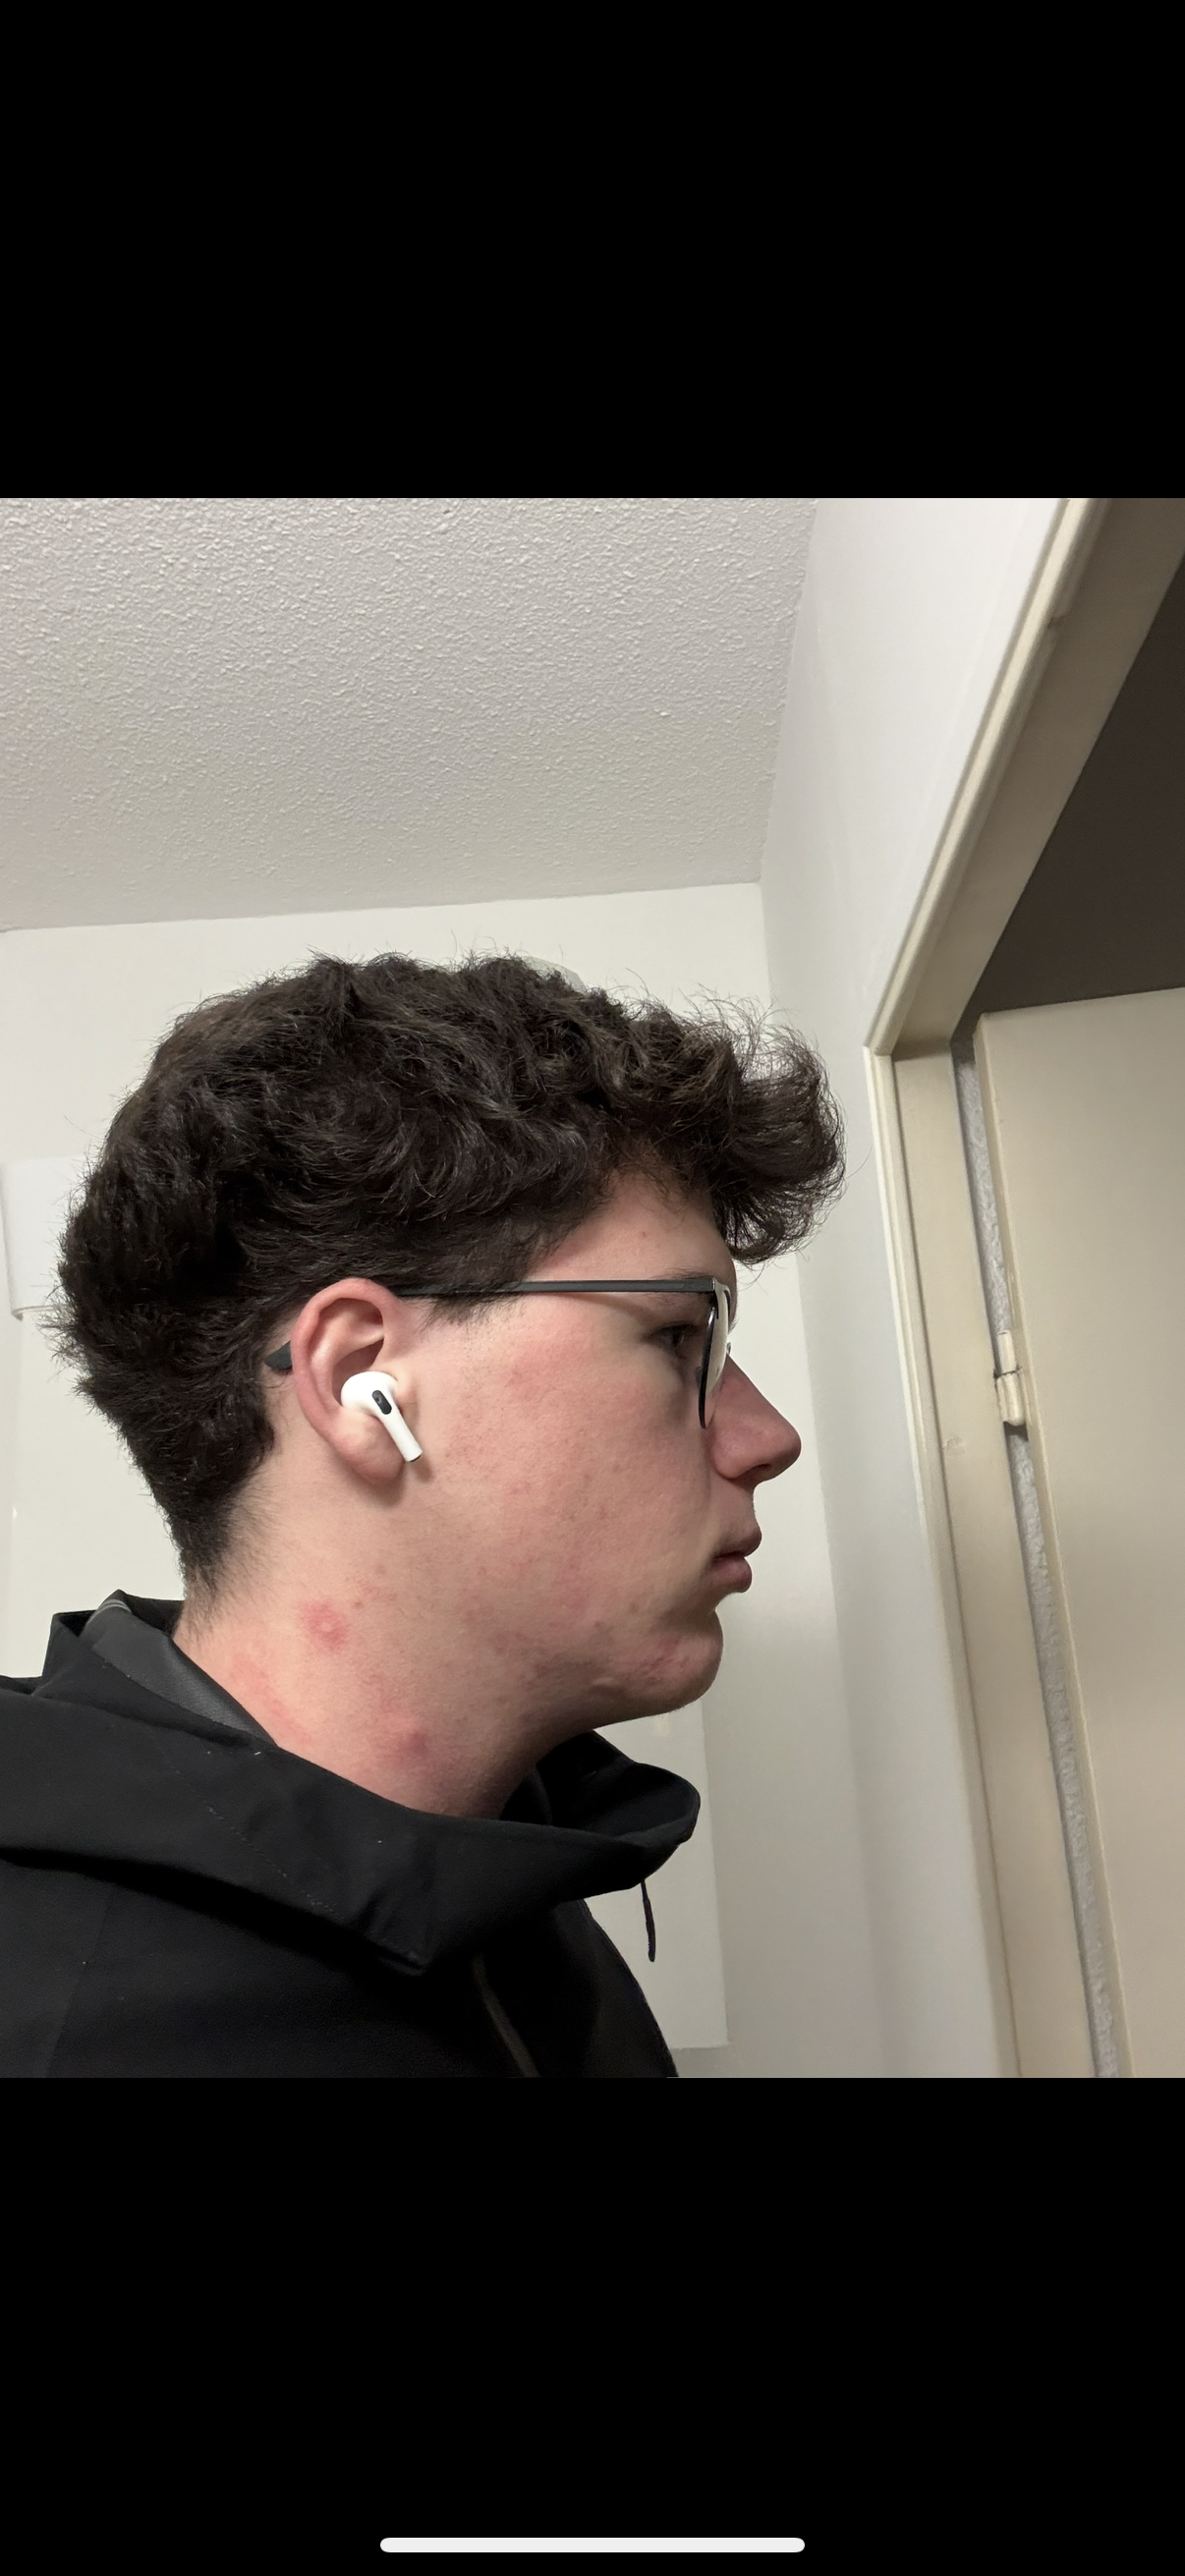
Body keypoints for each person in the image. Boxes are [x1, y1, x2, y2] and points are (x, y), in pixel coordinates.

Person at [0, 952, 841, 2077]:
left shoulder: (507, 1880)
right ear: (363, 1384)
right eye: (679, 1336)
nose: (766, 1437)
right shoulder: (69, 2028)